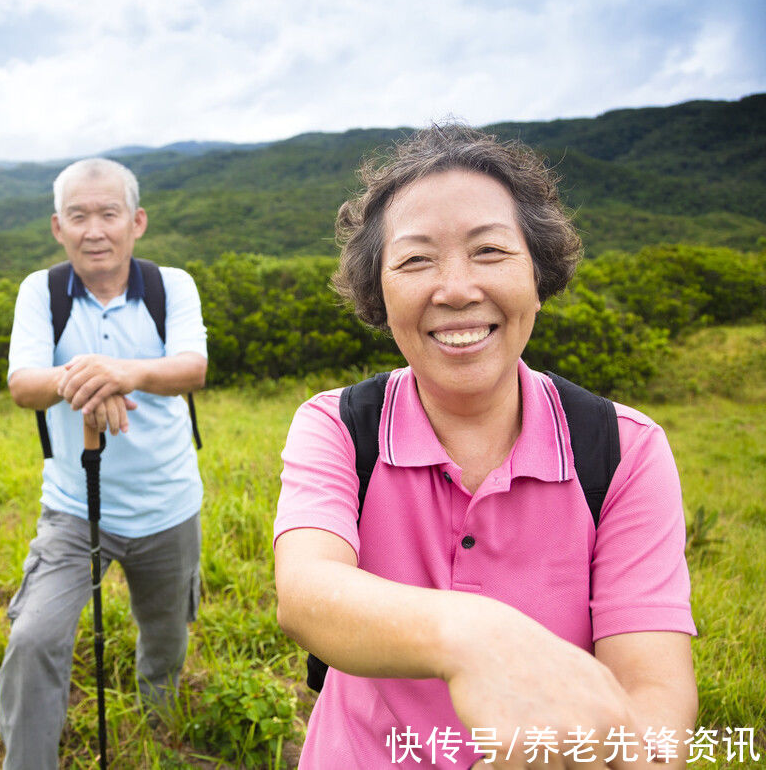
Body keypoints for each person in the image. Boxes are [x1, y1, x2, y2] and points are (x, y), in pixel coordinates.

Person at [273, 125, 697, 769]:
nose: (456, 288)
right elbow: (307, 592)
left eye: (490, 251)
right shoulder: (337, 425)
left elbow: (655, 689)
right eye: (415, 259)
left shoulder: (623, 450)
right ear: (378, 292)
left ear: (537, 271)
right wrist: (476, 635)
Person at [0, 157, 207, 769]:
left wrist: (126, 371)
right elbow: (23, 384)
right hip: (73, 509)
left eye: (108, 214)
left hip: (169, 504)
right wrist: (91, 379)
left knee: (165, 637)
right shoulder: (42, 291)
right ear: (57, 227)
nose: (95, 230)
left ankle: (158, 720)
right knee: (34, 637)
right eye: (78, 216)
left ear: (136, 221)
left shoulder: (172, 286)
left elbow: (191, 368)